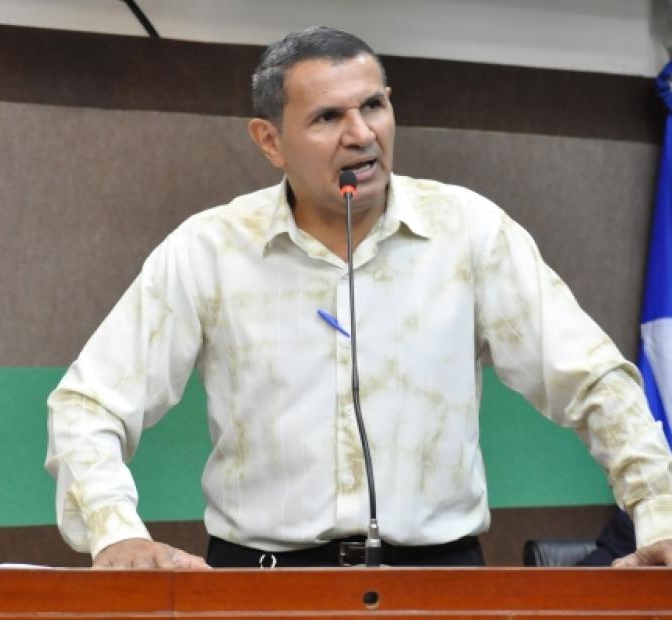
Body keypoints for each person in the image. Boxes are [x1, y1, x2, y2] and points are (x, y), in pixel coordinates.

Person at [45, 26, 672, 569]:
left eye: (373, 105)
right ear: (269, 140)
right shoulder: (209, 248)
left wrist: (660, 515)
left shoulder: (469, 231)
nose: (361, 133)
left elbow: (592, 380)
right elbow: (88, 404)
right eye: (327, 118)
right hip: (262, 579)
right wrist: (115, 532)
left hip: (438, 576)